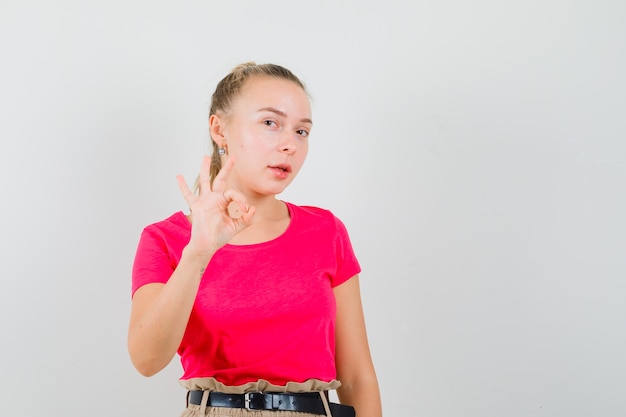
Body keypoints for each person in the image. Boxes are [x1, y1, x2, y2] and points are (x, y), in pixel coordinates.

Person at [128, 62, 382, 417]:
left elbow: (357, 377)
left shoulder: (326, 231)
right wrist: (198, 253)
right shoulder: (166, 239)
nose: (289, 145)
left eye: (301, 132)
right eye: (270, 123)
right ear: (219, 130)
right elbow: (147, 360)